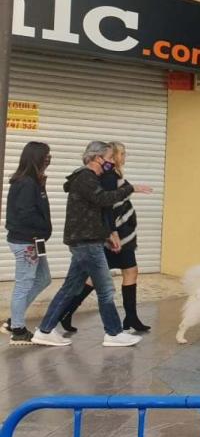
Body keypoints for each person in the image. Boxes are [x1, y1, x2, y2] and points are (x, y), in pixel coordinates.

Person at [32, 141, 152, 348]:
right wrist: (131, 188)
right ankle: (113, 333)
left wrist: (107, 234)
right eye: (109, 158)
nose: (111, 162)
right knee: (105, 289)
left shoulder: (88, 178)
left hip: (87, 240)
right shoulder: (86, 178)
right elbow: (104, 200)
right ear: (97, 158)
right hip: (86, 242)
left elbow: (93, 213)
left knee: (70, 288)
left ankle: (45, 330)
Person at [3, 142, 53, 345]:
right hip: (27, 242)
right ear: (37, 158)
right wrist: (41, 228)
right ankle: (17, 330)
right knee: (23, 284)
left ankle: (14, 320)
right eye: (47, 156)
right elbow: (25, 214)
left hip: (33, 240)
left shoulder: (33, 181)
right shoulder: (26, 183)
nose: (49, 159)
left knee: (43, 278)